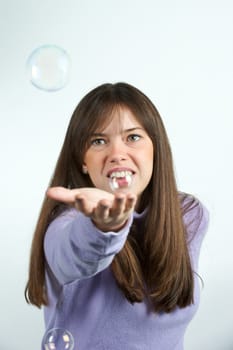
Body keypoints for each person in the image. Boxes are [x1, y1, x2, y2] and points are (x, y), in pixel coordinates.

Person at [25, 82, 209, 350]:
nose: (117, 154)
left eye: (133, 137)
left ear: (155, 148)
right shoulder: (64, 223)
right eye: (98, 141)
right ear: (82, 161)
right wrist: (102, 227)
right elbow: (71, 255)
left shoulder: (188, 215)